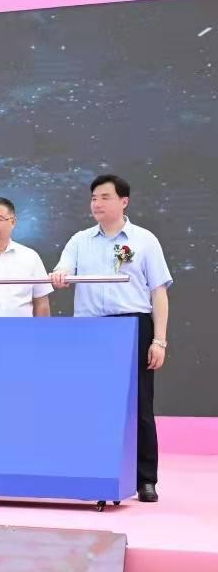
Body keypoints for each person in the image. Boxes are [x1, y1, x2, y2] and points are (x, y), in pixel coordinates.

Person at [50, 174, 172, 503]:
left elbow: (158, 292)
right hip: (89, 327)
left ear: (123, 201)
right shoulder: (80, 240)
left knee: (140, 406)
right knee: (89, 402)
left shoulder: (144, 240)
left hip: (132, 324)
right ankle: (90, 471)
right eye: (94, 198)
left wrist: (159, 340)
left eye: (105, 197)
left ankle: (145, 479)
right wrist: (60, 275)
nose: (97, 203)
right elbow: (63, 268)